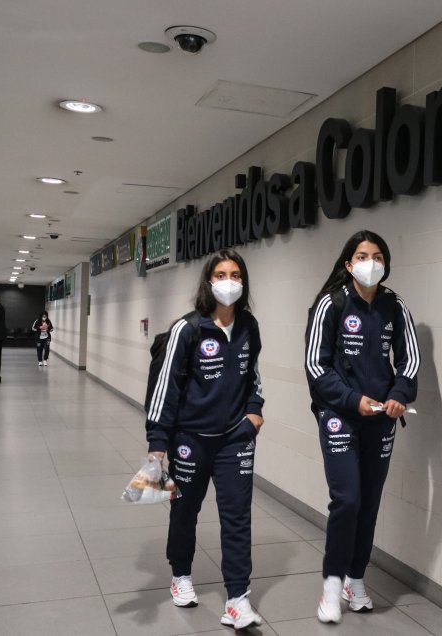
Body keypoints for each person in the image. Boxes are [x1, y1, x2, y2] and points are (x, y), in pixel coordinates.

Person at [304, 230, 421, 623]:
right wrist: (354, 400)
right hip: (340, 415)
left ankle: (356, 579)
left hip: (381, 420)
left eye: (377, 255)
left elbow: (409, 363)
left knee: (369, 502)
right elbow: (316, 367)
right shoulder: (331, 304)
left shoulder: (395, 305)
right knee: (348, 499)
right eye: (362, 255)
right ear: (348, 263)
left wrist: (399, 394)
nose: (370, 262)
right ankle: (332, 586)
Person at [145, 249, 265, 629]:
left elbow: (253, 377)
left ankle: (237, 598)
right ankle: (180, 573)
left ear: (243, 282)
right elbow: (167, 390)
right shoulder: (188, 328)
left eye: (234, 274)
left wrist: (255, 411)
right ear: (208, 282)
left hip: (235, 439)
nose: (228, 281)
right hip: (190, 441)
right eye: (220, 274)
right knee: (185, 511)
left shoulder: (249, 325)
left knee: (237, 516)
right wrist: (157, 443)